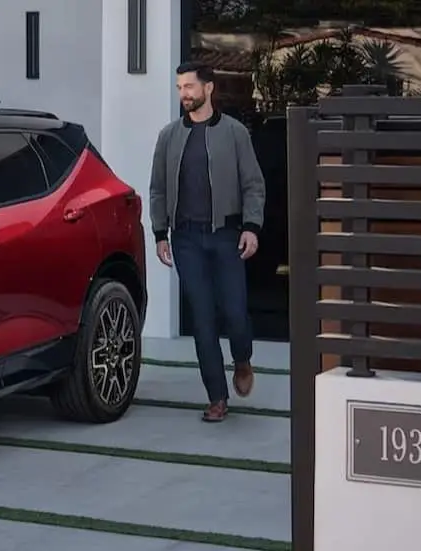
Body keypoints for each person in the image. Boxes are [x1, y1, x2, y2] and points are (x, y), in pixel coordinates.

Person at [147, 61, 266, 423]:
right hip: (186, 239)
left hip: (226, 235)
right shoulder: (169, 136)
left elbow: (253, 184)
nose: (183, 94)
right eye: (179, 87)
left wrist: (251, 227)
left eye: (189, 86)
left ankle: (242, 358)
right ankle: (217, 397)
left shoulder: (234, 133)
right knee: (202, 320)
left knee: (235, 312)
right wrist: (160, 233)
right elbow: (157, 188)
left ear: (208, 88)